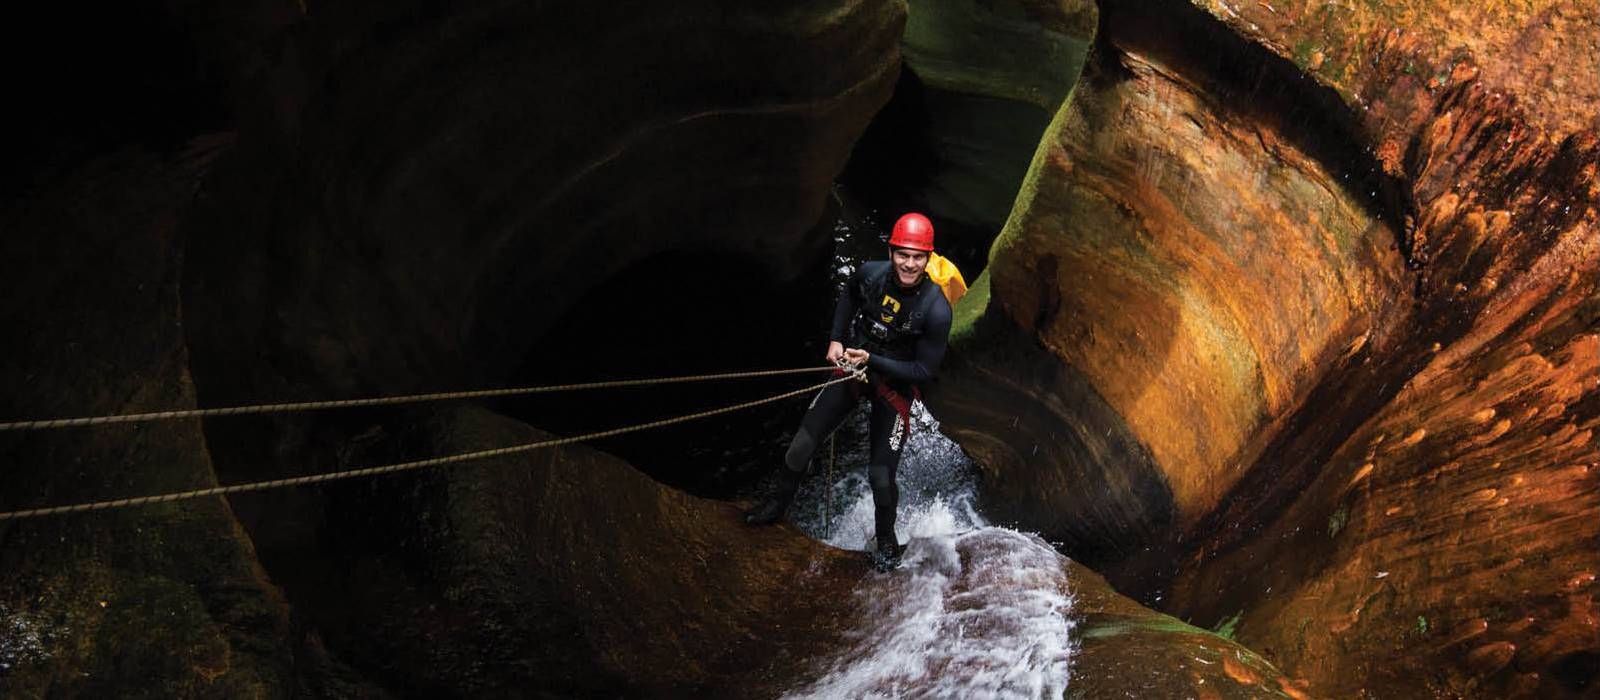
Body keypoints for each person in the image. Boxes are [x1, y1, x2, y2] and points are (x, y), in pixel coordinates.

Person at [744, 212, 953, 572]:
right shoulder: (869, 274)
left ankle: (885, 541)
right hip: (853, 371)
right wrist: (837, 339)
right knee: (801, 446)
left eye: (918, 257)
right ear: (891, 252)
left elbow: (924, 370)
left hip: (893, 387)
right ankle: (777, 505)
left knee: (881, 477)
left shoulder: (935, 309)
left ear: (928, 259)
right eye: (903, 254)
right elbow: (849, 297)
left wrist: (873, 359)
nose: (909, 263)